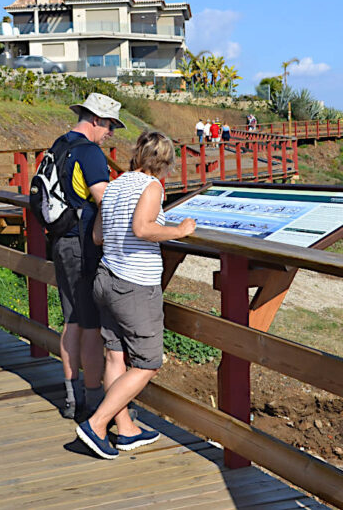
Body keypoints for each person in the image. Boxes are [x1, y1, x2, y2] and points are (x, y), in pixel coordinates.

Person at [75, 131, 197, 459]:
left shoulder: (115, 184)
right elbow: (143, 229)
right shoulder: (152, 186)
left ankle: (126, 428)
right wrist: (179, 231)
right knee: (147, 364)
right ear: (165, 162)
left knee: (115, 356)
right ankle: (97, 424)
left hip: (106, 278)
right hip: (134, 285)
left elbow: (98, 236)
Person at [49, 92, 125, 420]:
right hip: (82, 246)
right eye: (109, 125)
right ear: (95, 119)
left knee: (71, 319)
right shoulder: (90, 153)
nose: (110, 133)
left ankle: (71, 396)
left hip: (60, 241)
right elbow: (104, 199)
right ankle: (94, 402)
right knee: (91, 326)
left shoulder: (59, 145)